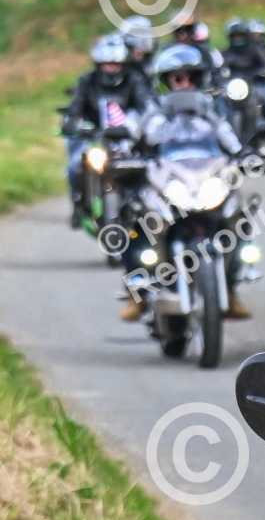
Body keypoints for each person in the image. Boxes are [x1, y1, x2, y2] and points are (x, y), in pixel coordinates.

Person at [124, 44, 251, 321]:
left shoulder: (211, 113)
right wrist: (125, 155)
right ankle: (137, 290)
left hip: (205, 179)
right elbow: (132, 141)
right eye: (177, 78)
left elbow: (231, 141)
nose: (184, 84)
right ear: (166, 81)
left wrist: (247, 155)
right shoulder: (152, 113)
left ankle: (231, 286)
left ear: (200, 79)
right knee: (136, 220)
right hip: (166, 180)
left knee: (238, 216)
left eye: (191, 78)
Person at [61, 34, 151, 229]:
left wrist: (140, 126)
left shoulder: (135, 80)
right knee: (74, 166)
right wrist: (72, 123)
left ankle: (145, 205)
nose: (111, 69)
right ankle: (79, 204)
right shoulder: (87, 81)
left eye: (116, 65)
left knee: (148, 165)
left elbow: (146, 107)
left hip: (129, 139)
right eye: (107, 65)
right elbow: (75, 109)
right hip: (95, 138)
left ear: (124, 64)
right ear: (98, 65)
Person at [172, 19, 223, 88]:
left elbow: (214, 73)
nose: (184, 35)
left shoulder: (203, 52)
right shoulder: (168, 53)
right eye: (179, 31)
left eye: (188, 30)